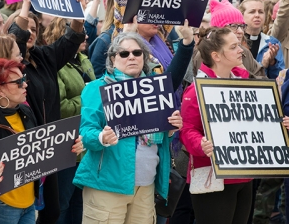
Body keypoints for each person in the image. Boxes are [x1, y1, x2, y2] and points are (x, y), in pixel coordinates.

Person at [74, 25, 195, 223]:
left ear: (144, 57)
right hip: (107, 186)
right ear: (113, 59)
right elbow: (86, 133)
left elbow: (160, 133)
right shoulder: (97, 88)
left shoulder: (156, 88)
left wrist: (171, 128)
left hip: (146, 186)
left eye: (137, 52)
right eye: (124, 53)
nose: (131, 57)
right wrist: (102, 137)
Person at [4, 0, 85, 224]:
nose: (29, 33)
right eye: (25, 28)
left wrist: (76, 12)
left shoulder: (43, 56)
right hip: (26, 148)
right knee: (27, 210)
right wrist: (26, 4)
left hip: (50, 145)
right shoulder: (9, 66)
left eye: (33, 29)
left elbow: (71, 40)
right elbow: (16, 39)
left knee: (52, 211)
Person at [180, 26, 253, 224]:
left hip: (244, 175)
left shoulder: (245, 83)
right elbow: (187, 131)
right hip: (212, 177)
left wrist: (277, 124)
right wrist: (201, 144)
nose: (241, 50)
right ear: (216, 56)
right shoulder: (197, 90)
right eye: (234, 47)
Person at [43, 17, 95, 224]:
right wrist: (90, 101)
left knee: (79, 204)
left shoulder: (83, 59)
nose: (87, 36)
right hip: (65, 146)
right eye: (80, 32)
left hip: (86, 145)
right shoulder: (55, 65)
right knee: (62, 205)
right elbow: (61, 107)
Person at [0, 58, 36, 223]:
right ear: (0, 90)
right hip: (2, 204)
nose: (25, 85)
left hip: (30, 202)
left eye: (24, 79)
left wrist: (70, 146)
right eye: (18, 82)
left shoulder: (25, 110)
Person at [239, 0, 285, 79]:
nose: (257, 15)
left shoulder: (272, 43)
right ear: (241, 15)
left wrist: (272, 63)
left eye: (260, 12)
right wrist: (262, 64)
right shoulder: (236, 42)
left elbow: (279, 79)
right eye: (252, 12)